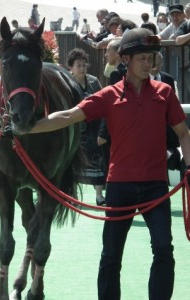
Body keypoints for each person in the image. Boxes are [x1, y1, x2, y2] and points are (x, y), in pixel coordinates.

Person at [25, 28, 190, 300]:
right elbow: (68, 116)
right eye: (142, 58)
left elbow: (183, 133)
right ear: (125, 59)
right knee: (111, 255)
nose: (148, 63)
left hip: (156, 187)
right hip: (120, 186)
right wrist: (27, 129)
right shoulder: (109, 95)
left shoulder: (164, 92)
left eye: (150, 58)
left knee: (164, 249)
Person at [67, 48, 106, 206]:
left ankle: (99, 196)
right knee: (73, 162)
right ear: (71, 67)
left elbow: (103, 100)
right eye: (78, 65)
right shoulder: (67, 83)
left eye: (84, 65)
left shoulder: (93, 81)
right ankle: (74, 196)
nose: (82, 68)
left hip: (93, 128)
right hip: (74, 128)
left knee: (97, 161)